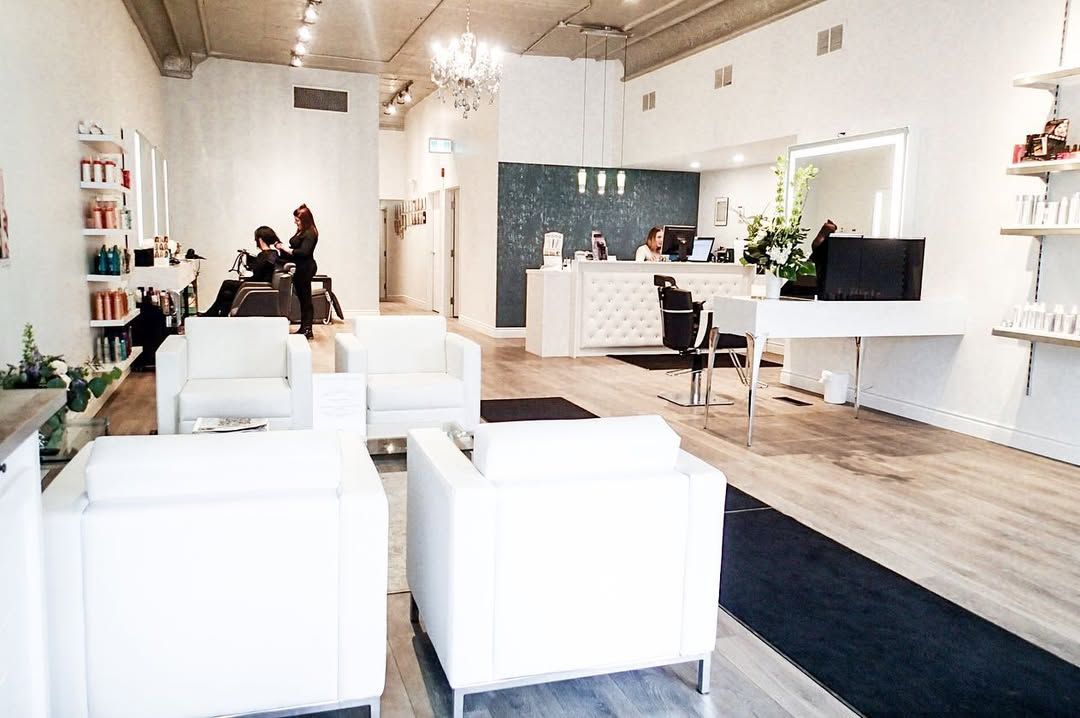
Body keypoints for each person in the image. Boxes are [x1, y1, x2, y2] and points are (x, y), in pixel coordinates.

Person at [200, 226, 281, 317]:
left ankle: (213, 311)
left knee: (226, 283)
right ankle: (220, 315)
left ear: (260, 239)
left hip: (257, 284)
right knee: (227, 294)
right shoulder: (268, 254)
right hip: (255, 282)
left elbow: (259, 270)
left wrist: (253, 263)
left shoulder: (269, 255)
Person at [275, 203, 319, 339]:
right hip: (300, 267)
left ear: (305, 220)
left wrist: (287, 249)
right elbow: (296, 252)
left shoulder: (311, 233)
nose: (295, 221)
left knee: (306, 299)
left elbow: (304, 252)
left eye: (298, 220)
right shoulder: (302, 231)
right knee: (301, 298)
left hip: (306, 268)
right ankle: (304, 327)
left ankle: (307, 329)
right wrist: (282, 248)